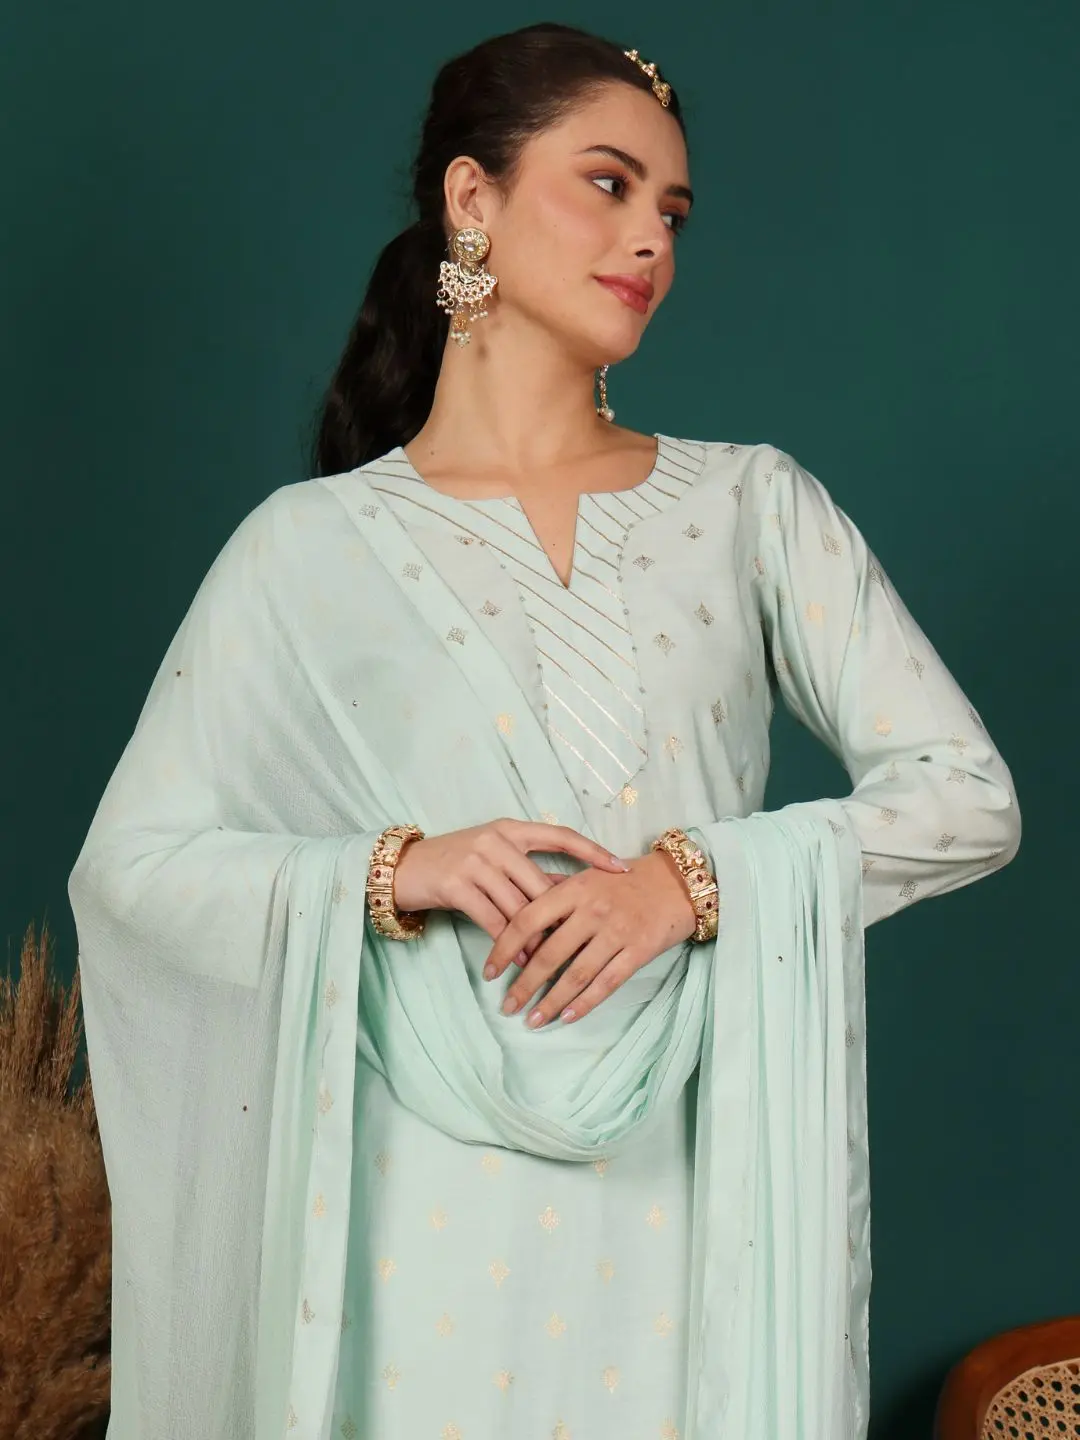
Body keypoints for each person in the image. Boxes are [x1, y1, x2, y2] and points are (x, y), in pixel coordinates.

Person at [68, 21, 1021, 1440]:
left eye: (674, 212)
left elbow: (967, 797)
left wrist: (688, 883)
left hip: (695, 1204)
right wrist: (392, 871)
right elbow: (133, 872)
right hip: (414, 1221)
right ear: (474, 197)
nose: (651, 240)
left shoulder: (751, 508)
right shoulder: (305, 549)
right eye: (609, 184)